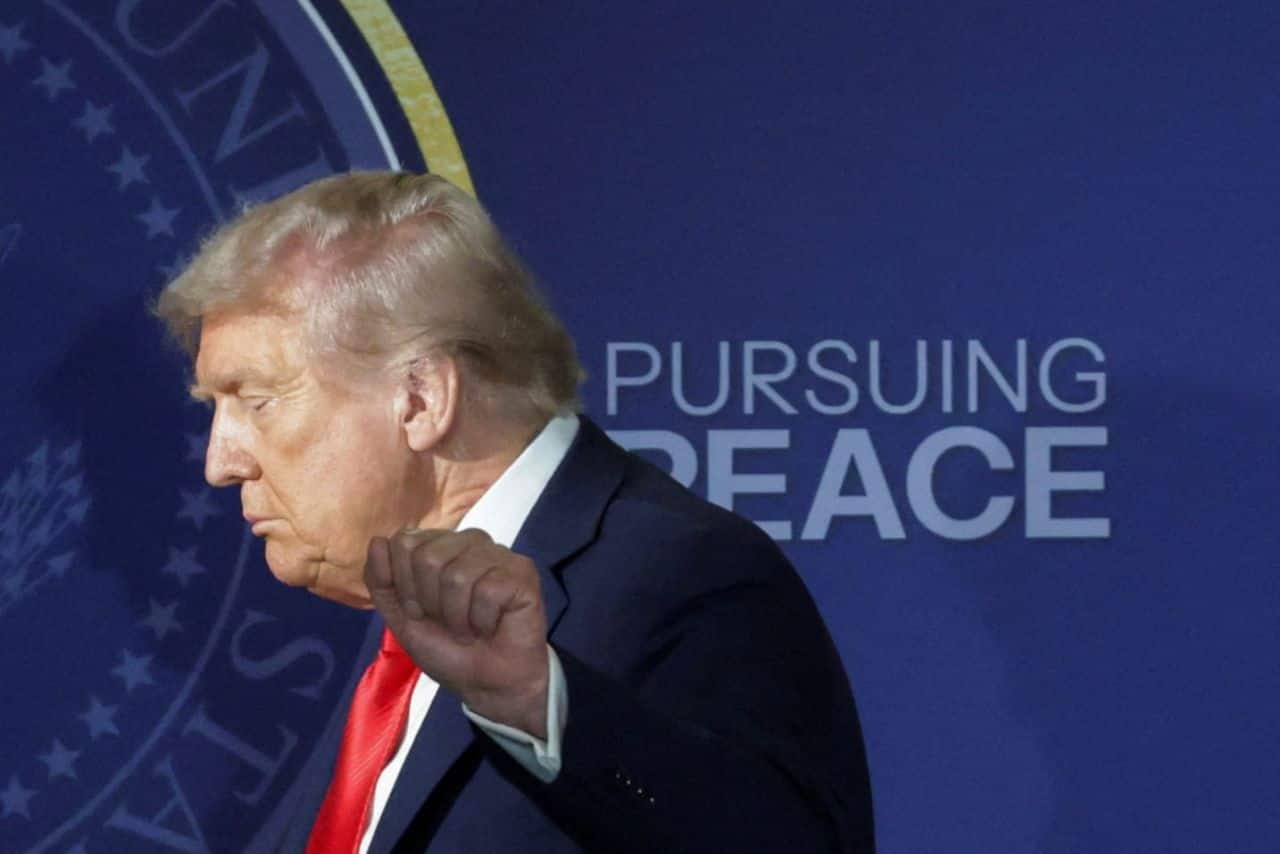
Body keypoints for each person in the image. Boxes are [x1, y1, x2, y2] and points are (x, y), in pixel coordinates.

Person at [155, 172, 875, 853]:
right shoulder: (410, 639)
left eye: (257, 401)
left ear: (421, 399)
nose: (221, 463)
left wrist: (540, 701)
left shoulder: (683, 574)